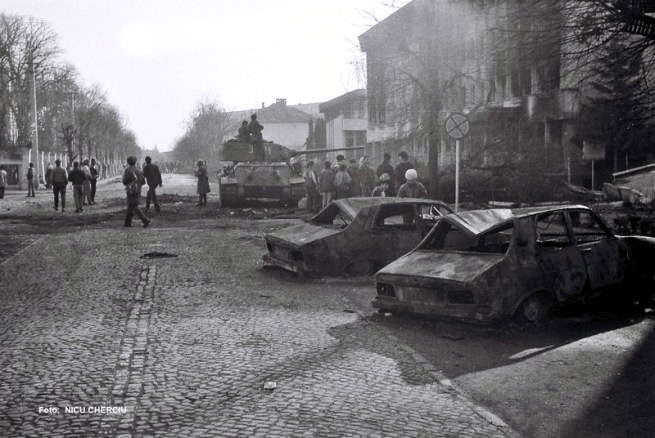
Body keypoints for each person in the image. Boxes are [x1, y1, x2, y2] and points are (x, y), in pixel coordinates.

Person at [122, 155, 150, 228]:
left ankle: (144, 219)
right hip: (138, 190)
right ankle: (127, 223)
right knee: (131, 205)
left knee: (133, 205)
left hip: (131, 189)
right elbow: (143, 182)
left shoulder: (128, 170)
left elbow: (124, 181)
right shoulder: (139, 170)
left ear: (128, 162)